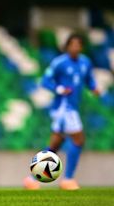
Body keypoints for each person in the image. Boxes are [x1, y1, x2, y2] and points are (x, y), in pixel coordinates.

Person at [24, 34, 100, 190]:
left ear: (82, 47)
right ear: (67, 47)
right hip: (63, 107)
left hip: (73, 106)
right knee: (78, 140)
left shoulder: (85, 62)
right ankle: (68, 179)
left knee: (55, 144)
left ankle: (31, 179)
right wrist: (59, 89)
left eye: (78, 45)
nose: (75, 48)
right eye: (72, 45)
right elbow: (45, 81)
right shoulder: (60, 63)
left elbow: (88, 79)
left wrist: (93, 87)